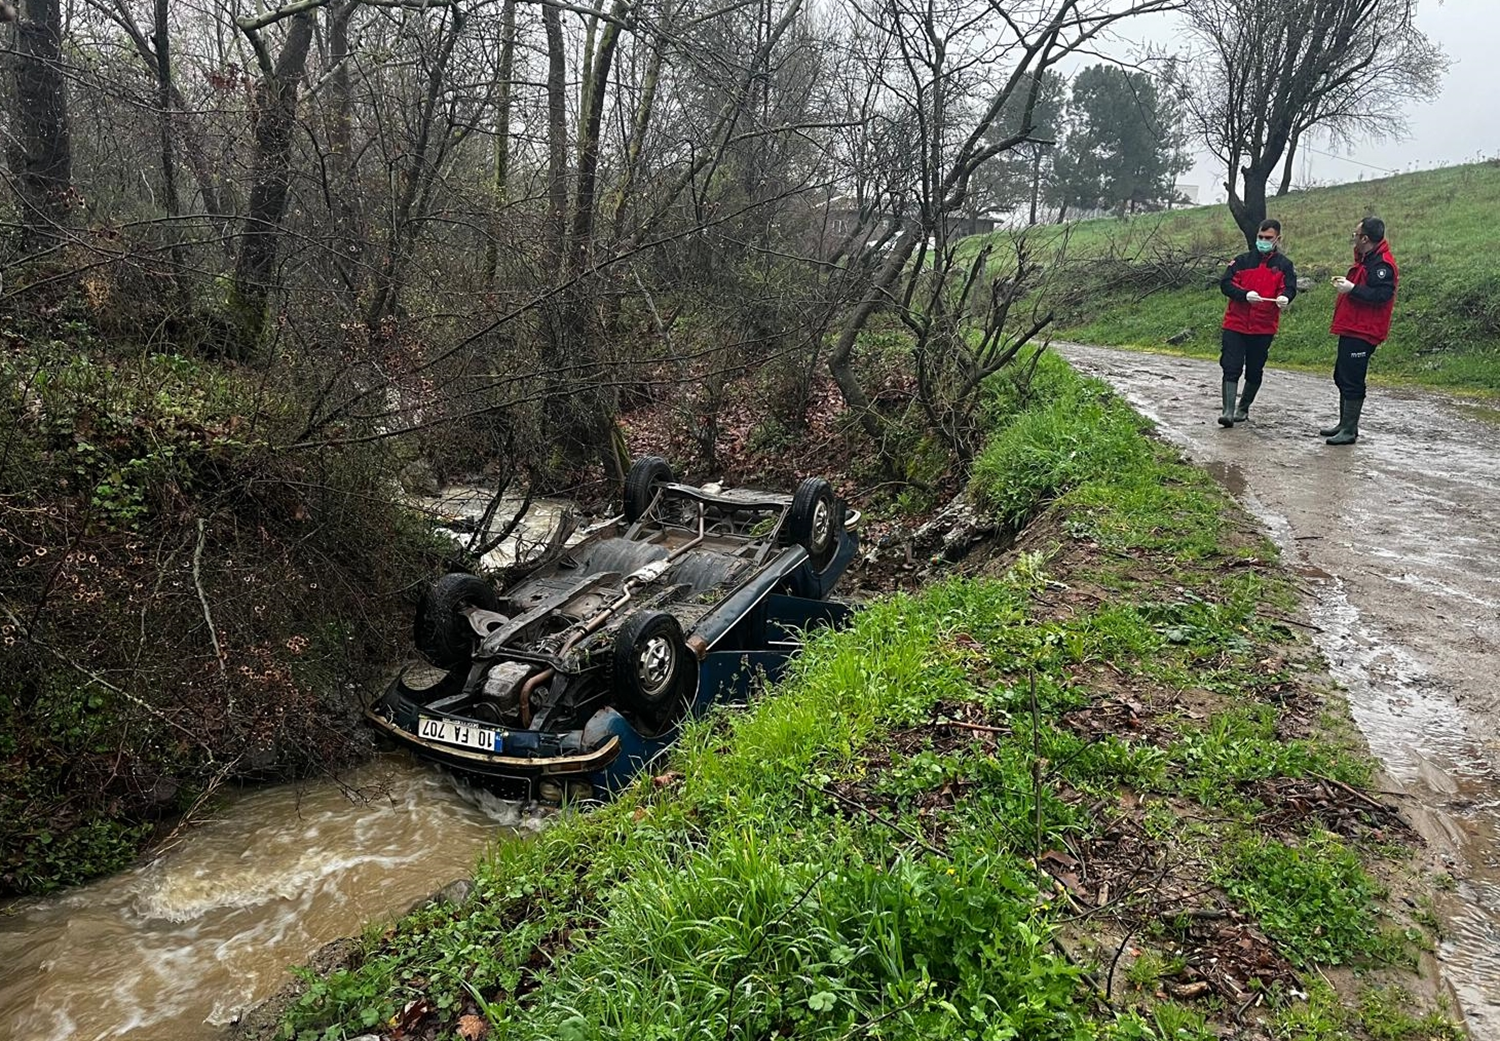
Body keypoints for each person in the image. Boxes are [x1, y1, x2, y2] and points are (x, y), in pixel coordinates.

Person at [1321, 216, 1398, 445]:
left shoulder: (1382, 265)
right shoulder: (1365, 260)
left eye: (1356, 234)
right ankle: (1345, 424)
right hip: (1351, 327)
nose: (1353, 237)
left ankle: (1349, 430)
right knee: (1341, 375)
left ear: (1365, 238)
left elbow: (1382, 295)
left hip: (1365, 330)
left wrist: (1352, 289)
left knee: (1353, 379)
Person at [1217, 219, 1296, 426]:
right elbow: (1226, 284)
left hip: (1263, 326)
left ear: (1278, 239)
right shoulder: (1241, 261)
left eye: (1268, 238)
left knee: (1254, 369)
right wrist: (1244, 294)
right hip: (1236, 323)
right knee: (1231, 366)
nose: (1263, 241)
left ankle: (1243, 408)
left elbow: (1289, 287)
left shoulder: (1284, 265)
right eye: (1260, 237)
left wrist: (1285, 297)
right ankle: (1227, 411)